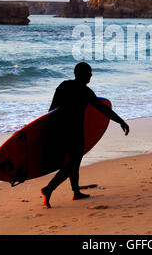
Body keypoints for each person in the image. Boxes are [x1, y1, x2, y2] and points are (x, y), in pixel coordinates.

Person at [41, 62, 129, 208]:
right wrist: (120, 121)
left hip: (60, 130)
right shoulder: (85, 91)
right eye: (89, 72)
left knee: (74, 163)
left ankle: (76, 192)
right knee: (72, 164)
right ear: (82, 74)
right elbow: (104, 110)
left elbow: (51, 111)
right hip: (75, 132)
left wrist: (48, 132)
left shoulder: (63, 86)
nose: (91, 75)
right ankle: (49, 188)